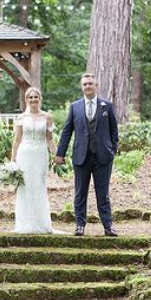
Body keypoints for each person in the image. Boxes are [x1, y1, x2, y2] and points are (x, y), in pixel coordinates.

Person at [55, 73, 119, 237]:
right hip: (81, 156)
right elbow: (67, 131)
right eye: (85, 84)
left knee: (102, 193)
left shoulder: (107, 106)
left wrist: (112, 150)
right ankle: (80, 225)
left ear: (96, 85)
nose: (87, 87)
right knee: (80, 193)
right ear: (81, 87)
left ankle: (108, 226)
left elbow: (114, 131)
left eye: (90, 84)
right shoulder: (75, 107)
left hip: (103, 157)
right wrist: (60, 153)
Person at [11, 86, 57, 234]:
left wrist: (58, 155)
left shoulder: (47, 117)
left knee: (39, 185)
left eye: (35, 97)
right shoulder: (21, 118)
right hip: (25, 154)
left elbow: (49, 139)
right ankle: (25, 224)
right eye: (30, 97)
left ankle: (41, 223)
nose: (33, 100)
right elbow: (17, 140)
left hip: (40, 154)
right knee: (25, 187)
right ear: (26, 99)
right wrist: (12, 161)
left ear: (40, 99)